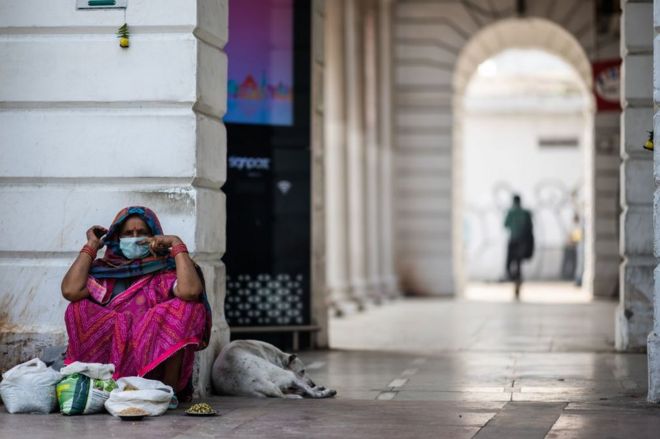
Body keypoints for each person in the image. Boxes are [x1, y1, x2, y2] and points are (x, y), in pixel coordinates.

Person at [61, 206, 211, 405]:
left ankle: (166, 392)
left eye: (142, 233)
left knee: (188, 308)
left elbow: (191, 292)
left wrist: (176, 244)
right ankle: (101, 385)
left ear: (154, 237)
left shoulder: (165, 270)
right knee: (77, 309)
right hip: (109, 359)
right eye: (128, 234)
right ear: (117, 237)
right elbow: (71, 291)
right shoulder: (105, 272)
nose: (134, 237)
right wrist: (91, 246)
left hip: (151, 360)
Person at [504, 194, 534, 299]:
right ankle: (517, 282)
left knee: (509, 264)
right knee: (518, 264)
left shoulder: (511, 212)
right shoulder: (526, 213)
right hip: (523, 242)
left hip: (513, 241)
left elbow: (505, 225)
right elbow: (530, 228)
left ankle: (514, 280)